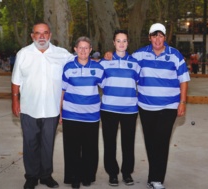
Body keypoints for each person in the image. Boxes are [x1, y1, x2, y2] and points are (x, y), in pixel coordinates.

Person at [11, 22, 74, 189]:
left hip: (51, 109)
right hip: (29, 108)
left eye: (45, 33)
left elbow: (81, 60)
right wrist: (15, 101)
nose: (41, 36)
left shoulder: (62, 54)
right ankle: (31, 176)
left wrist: (104, 56)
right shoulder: (23, 54)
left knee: (48, 144)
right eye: (38, 33)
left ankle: (46, 175)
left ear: (50, 35)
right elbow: (16, 80)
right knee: (30, 143)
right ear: (32, 36)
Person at [132, 23, 190, 189]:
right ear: (149, 37)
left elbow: (183, 80)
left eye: (161, 36)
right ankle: (153, 176)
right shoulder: (140, 54)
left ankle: (157, 179)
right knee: (150, 142)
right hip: (145, 106)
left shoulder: (175, 55)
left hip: (169, 106)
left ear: (165, 38)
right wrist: (109, 56)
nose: (157, 39)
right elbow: (125, 65)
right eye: (154, 36)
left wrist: (183, 102)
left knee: (162, 141)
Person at [61, 36, 104, 189]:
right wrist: (60, 111)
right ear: (75, 49)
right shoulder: (68, 67)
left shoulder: (98, 68)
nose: (83, 50)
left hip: (91, 115)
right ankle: (74, 177)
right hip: (71, 114)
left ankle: (87, 176)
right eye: (80, 47)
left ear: (91, 50)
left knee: (90, 148)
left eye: (86, 48)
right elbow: (62, 90)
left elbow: (106, 86)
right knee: (72, 148)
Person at [99, 30, 140, 187]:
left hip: (130, 109)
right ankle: (112, 173)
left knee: (128, 143)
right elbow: (100, 83)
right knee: (109, 143)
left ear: (128, 43)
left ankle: (127, 173)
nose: (121, 44)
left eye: (124, 41)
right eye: (118, 41)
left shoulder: (135, 63)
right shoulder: (104, 62)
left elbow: (139, 82)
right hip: (109, 109)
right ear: (113, 43)